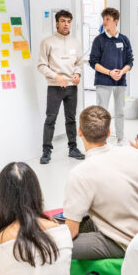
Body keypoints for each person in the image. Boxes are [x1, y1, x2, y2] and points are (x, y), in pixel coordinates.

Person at [64, 105, 138, 260]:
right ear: (108, 133)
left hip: (121, 243)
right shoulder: (133, 153)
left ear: (80, 132)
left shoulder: (79, 173)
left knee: (55, 246)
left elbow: (71, 232)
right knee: (84, 221)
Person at [37, 9, 85, 165]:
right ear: (57, 23)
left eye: (69, 21)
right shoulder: (47, 42)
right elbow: (41, 66)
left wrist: (77, 74)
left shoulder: (75, 43)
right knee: (50, 119)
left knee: (71, 119)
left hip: (72, 87)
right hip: (55, 87)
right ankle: (46, 150)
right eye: (63, 21)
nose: (66, 24)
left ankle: (73, 148)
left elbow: (79, 63)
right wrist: (56, 77)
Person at [89, 7, 133, 145]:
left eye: (107, 19)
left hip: (120, 82)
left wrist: (121, 72)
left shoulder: (124, 39)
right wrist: (109, 72)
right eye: (103, 19)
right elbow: (93, 62)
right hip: (103, 81)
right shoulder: (99, 40)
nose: (104, 22)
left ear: (116, 21)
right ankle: (102, 139)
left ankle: (120, 137)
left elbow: (130, 61)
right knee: (101, 113)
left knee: (120, 111)